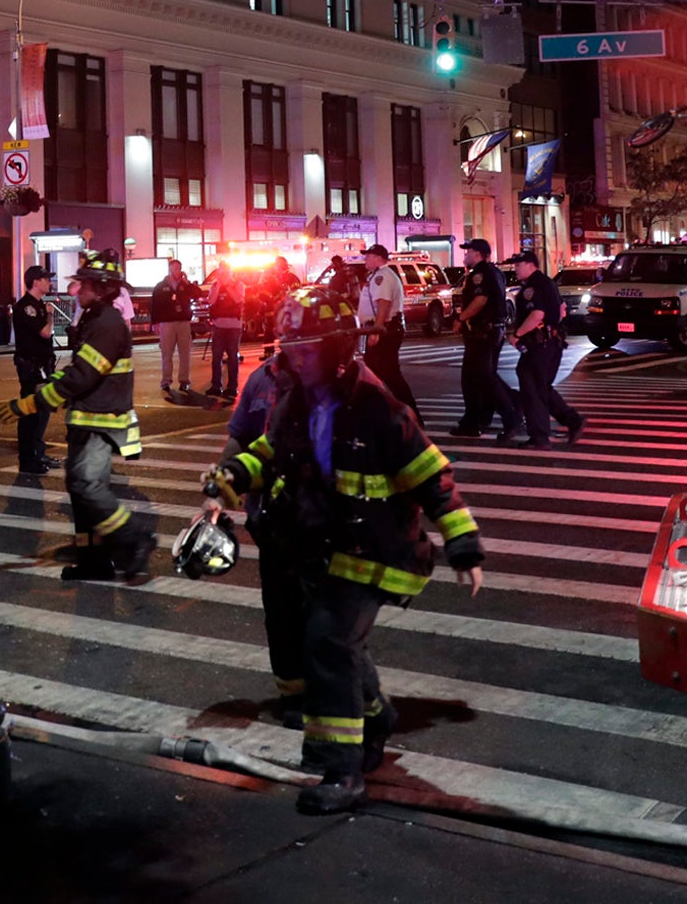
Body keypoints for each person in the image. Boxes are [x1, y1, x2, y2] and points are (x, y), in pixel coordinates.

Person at [206, 287, 486, 814]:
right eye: (290, 345)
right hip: (324, 548)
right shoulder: (295, 399)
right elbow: (269, 451)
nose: (294, 355)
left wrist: (463, 542)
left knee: (327, 645)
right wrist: (230, 477)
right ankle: (375, 718)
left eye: (307, 346)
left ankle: (341, 770)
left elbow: (430, 474)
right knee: (341, 647)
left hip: (378, 551)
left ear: (337, 348)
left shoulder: (377, 406)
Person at [0, 249, 154, 583]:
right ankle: (92, 560)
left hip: (101, 421)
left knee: (86, 485)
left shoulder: (107, 324)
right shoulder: (96, 320)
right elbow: (75, 370)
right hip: (88, 418)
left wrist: (35, 403)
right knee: (79, 493)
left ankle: (132, 537)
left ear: (99, 288)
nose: (77, 290)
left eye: (83, 284)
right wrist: (43, 389)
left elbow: (83, 376)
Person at [215, 337, 306, 726]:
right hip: (270, 519)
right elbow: (241, 438)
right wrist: (221, 490)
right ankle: (293, 696)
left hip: (325, 524)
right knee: (281, 611)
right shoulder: (260, 380)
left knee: (323, 614)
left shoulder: (346, 383)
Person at [508, 250, 585, 449]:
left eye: (518, 265)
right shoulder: (546, 283)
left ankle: (540, 437)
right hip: (549, 343)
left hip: (541, 345)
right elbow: (561, 310)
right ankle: (572, 420)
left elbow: (537, 315)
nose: (514, 269)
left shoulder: (535, 286)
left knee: (532, 389)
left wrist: (517, 335)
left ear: (530, 264)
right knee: (540, 387)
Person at [451, 240, 521, 439]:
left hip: (482, 333)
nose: (465, 255)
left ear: (478, 254)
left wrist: (460, 318)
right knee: (482, 376)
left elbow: (480, 300)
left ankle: (510, 415)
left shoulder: (480, 274)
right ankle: (480, 418)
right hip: (491, 332)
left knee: (478, 378)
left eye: (468, 252)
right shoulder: (495, 272)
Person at [355, 245, 415, 415]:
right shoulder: (378, 275)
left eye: (368, 256)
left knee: (388, 373)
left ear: (378, 258)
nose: (365, 260)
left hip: (386, 329)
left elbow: (383, 302)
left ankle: (409, 412)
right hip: (384, 328)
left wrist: (377, 330)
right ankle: (380, 410)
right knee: (376, 372)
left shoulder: (382, 276)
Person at [10, 267, 58, 474]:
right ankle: (28, 459)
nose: (49, 283)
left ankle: (38, 453)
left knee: (43, 411)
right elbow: (46, 333)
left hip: (43, 365)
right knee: (31, 412)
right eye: (46, 279)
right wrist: (49, 315)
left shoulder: (38, 305)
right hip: (31, 367)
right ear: (35, 282)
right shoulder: (26, 307)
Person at [150, 259, 201, 397]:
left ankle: (184, 380)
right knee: (167, 353)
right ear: (169, 269)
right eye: (174, 269)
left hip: (183, 322)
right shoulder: (161, 286)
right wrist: (155, 323)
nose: (176, 272)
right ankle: (166, 380)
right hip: (167, 323)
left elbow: (198, 294)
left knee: (185, 353)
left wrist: (187, 282)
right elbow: (154, 305)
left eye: (178, 269)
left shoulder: (185, 285)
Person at [205, 271, 246, 400]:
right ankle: (216, 386)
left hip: (234, 326)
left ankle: (232, 387)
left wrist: (228, 286)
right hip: (219, 326)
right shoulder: (215, 285)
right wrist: (218, 286)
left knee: (233, 357)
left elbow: (238, 299)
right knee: (216, 357)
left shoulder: (238, 285)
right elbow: (211, 301)